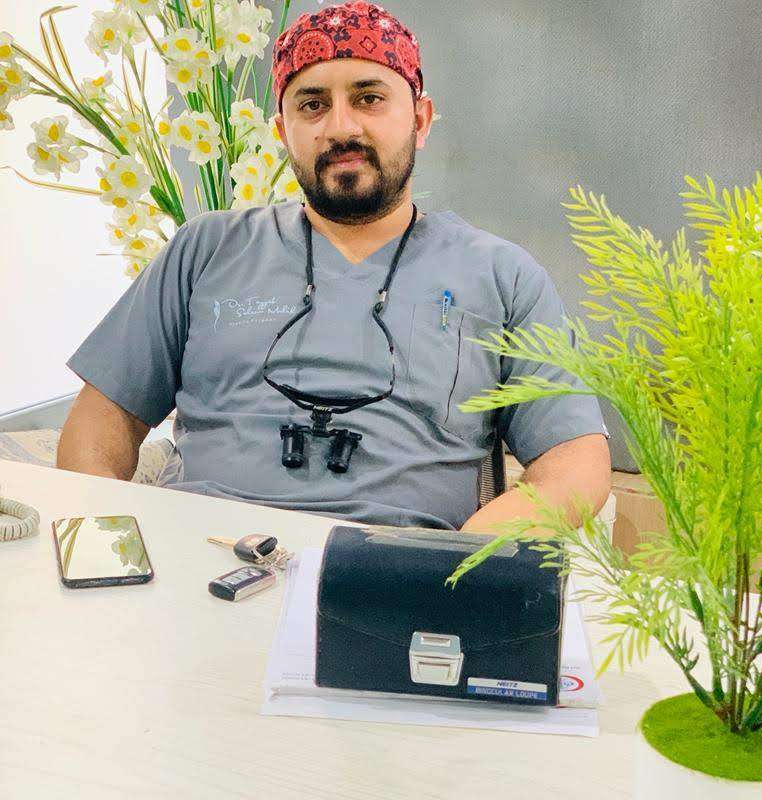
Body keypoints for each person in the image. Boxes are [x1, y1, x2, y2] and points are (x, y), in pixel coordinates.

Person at [57, 1, 611, 533]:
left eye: (369, 99)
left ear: (420, 120)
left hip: (395, 569)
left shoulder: (501, 275)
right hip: (199, 554)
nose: (341, 127)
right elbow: (102, 420)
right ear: (282, 132)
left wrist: (462, 561)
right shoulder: (206, 249)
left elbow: (574, 461)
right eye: (312, 105)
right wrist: (113, 546)